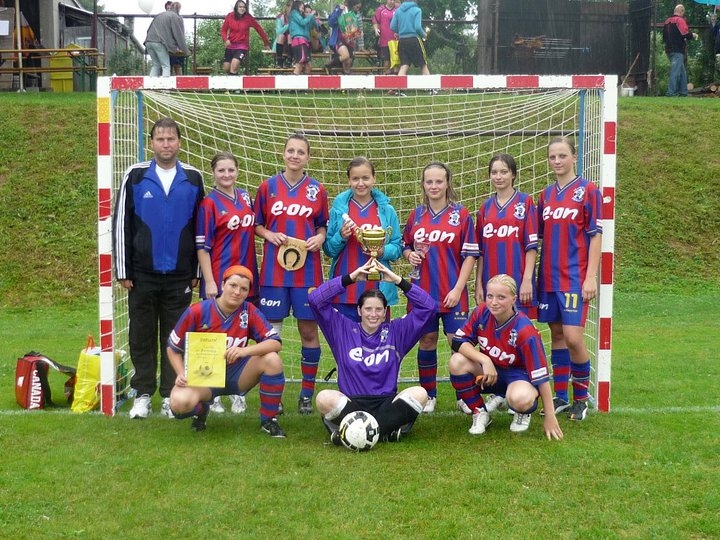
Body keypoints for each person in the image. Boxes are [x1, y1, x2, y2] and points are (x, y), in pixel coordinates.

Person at [113, 117, 205, 419]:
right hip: (141, 274)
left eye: (171, 139)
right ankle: (142, 392)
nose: (166, 144)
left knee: (174, 336)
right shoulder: (136, 175)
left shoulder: (193, 178)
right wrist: (123, 269)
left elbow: (201, 228)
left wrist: (197, 271)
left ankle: (169, 393)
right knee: (141, 333)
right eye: (160, 139)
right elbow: (121, 223)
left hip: (180, 274)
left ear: (179, 142)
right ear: (151, 142)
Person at [309, 260, 436, 444]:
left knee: (420, 393)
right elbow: (315, 300)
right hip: (351, 403)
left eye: (378, 309)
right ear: (359, 310)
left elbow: (429, 306)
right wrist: (351, 278)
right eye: (368, 309)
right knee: (323, 398)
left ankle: (351, 432)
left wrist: (397, 280)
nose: (373, 314)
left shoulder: (397, 332)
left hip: (386, 404)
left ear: (385, 312)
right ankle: (386, 430)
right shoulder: (342, 329)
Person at [253, 133, 328, 414]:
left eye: (301, 152)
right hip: (274, 273)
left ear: (308, 157)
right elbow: (257, 224)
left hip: (307, 273)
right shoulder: (267, 187)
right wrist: (269, 234)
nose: (295, 156)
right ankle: (275, 394)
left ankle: (306, 394)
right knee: (272, 336)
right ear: (283, 153)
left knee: (308, 331)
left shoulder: (317, 190)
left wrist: (320, 238)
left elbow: (322, 226)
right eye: (291, 151)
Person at [167, 265, 286, 437]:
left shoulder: (249, 311)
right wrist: (180, 373)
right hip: (204, 377)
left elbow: (275, 343)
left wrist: (244, 351)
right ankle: (202, 409)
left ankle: (268, 420)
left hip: (238, 374)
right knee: (179, 404)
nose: (237, 292)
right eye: (233, 285)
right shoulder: (197, 311)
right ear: (223, 285)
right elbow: (173, 348)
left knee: (272, 360)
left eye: (244, 289)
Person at [402, 162, 479, 413]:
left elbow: (470, 255)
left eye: (438, 181)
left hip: (452, 292)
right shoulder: (416, 215)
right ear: (423, 185)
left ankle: (464, 396)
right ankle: (429, 395)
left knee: (459, 343)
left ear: (447, 183)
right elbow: (405, 245)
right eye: (429, 181)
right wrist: (409, 255)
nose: (434, 186)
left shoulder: (461, 214)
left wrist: (458, 289)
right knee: (427, 340)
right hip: (422, 293)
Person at [449, 274, 563, 440]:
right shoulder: (481, 312)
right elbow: (458, 341)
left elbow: (542, 377)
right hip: (491, 372)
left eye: (501, 297)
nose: (494, 302)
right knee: (456, 361)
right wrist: (484, 360)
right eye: (490, 296)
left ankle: (522, 411)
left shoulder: (525, 331)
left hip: (519, 377)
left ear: (513, 299)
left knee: (519, 398)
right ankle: (480, 412)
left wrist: (550, 416)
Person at [537, 136, 602, 422]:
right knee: (557, 334)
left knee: (574, 337)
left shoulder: (588, 191)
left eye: (562, 155)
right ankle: (561, 396)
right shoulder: (546, 195)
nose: (557, 161)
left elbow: (595, 236)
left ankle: (581, 399)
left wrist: (591, 277)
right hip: (549, 277)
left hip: (575, 277)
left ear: (574, 157)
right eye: (552, 156)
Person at [196, 151, 259, 415]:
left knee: (240, 335)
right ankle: (212, 394)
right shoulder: (208, 204)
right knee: (214, 337)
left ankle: (237, 391)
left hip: (246, 276)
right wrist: (210, 281)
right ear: (213, 173)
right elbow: (202, 247)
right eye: (221, 170)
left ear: (237, 171)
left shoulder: (245, 197)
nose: (226, 174)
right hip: (221, 277)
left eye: (231, 170)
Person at [323, 157, 402, 321]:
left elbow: (397, 247)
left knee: (378, 336)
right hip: (345, 289)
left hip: (377, 289)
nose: (361, 183)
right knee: (344, 336)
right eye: (355, 178)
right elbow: (329, 250)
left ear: (374, 178)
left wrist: (382, 251)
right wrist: (340, 237)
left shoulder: (387, 210)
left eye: (365, 178)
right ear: (348, 180)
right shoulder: (338, 210)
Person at [475, 154, 538, 317]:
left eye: (504, 172)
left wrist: (527, 280)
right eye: (494, 172)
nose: (498, 176)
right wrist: (478, 283)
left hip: (518, 279)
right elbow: (480, 252)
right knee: (491, 327)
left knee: (519, 327)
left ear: (513, 174)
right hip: (491, 280)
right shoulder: (485, 208)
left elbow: (531, 247)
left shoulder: (525, 202)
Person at [221, 0, 272, 75]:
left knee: (234, 66)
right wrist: (226, 39)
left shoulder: (248, 18)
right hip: (231, 45)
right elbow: (223, 30)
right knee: (226, 67)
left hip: (242, 46)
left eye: (244, 7)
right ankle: (235, 77)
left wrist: (266, 43)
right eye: (240, 7)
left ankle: (233, 78)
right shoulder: (230, 16)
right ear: (236, 8)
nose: (242, 9)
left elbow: (259, 29)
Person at [144, 2, 189, 77]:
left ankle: (151, 84)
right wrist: (185, 51)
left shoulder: (159, 15)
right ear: (178, 9)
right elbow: (178, 34)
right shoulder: (174, 16)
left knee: (156, 65)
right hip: (159, 42)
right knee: (166, 66)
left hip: (148, 41)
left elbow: (149, 29)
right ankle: (165, 84)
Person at [663, 4, 698, 97]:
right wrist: (693, 35)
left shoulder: (667, 21)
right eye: (683, 12)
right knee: (675, 71)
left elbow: (664, 37)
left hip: (669, 50)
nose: (683, 14)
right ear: (681, 11)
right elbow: (685, 33)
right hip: (678, 50)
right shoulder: (680, 20)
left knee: (682, 72)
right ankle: (671, 93)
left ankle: (683, 92)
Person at [390, 0, 430, 76]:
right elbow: (417, 27)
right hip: (414, 39)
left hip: (402, 40)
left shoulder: (398, 11)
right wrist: (424, 35)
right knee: (423, 65)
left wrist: (400, 31)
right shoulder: (417, 10)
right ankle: (429, 83)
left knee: (404, 65)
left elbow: (392, 26)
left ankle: (400, 83)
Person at [325, 0, 363, 74]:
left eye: (359, 8)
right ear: (352, 5)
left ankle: (345, 77)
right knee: (345, 56)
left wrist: (357, 35)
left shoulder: (356, 14)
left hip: (350, 41)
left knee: (348, 63)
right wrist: (339, 11)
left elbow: (357, 29)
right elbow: (330, 23)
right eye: (357, 7)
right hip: (339, 39)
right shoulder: (339, 9)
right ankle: (329, 64)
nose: (358, 9)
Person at [289, 0, 318, 75]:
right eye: (302, 8)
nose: (302, 10)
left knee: (308, 65)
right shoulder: (294, 13)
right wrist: (311, 15)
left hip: (305, 41)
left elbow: (311, 26)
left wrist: (313, 17)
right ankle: (293, 81)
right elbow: (302, 22)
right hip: (299, 40)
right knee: (299, 64)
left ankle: (303, 81)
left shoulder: (303, 18)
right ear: (297, 6)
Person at [372, 0, 400, 74]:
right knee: (386, 62)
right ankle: (387, 78)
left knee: (396, 62)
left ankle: (396, 79)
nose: (392, 1)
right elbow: (375, 21)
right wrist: (376, 29)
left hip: (396, 41)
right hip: (384, 40)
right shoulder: (380, 10)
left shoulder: (398, 9)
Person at [168, 3, 187, 75]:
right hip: (170, 45)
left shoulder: (179, 18)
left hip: (177, 45)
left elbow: (181, 31)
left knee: (177, 66)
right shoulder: (168, 18)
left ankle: (179, 80)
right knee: (169, 66)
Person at [273, 1, 293, 68]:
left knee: (290, 36)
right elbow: (279, 31)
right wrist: (288, 24)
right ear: (287, 7)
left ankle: (290, 60)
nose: (291, 8)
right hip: (281, 43)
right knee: (281, 36)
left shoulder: (297, 17)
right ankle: (279, 61)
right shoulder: (280, 17)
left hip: (293, 43)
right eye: (290, 6)